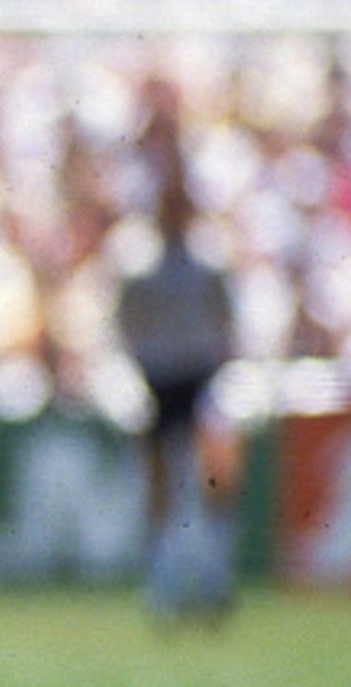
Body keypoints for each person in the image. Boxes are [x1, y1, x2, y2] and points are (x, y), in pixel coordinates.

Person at [115, 166, 240, 621]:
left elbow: (227, 322)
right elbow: (126, 325)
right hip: (160, 377)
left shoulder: (209, 262)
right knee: (161, 484)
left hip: (200, 375)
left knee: (214, 475)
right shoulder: (139, 265)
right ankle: (163, 584)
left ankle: (212, 578)